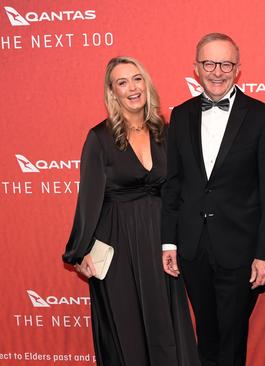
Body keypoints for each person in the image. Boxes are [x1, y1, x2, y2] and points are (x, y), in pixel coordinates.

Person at [62, 56, 199, 366]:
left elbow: (177, 192)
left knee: (165, 324)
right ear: (113, 93)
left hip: (160, 242)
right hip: (118, 242)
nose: (132, 88)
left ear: (146, 84)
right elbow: (89, 200)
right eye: (122, 82)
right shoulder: (99, 138)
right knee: (127, 330)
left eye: (137, 79)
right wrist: (78, 251)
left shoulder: (164, 131)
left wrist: (179, 240)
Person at [161, 33, 265, 366]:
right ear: (196, 68)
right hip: (192, 247)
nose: (217, 72)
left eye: (226, 64)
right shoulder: (181, 115)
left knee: (232, 339)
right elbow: (174, 184)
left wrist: (264, 253)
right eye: (209, 63)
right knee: (207, 336)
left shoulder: (262, 117)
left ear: (238, 69)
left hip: (241, 250)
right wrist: (168, 243)